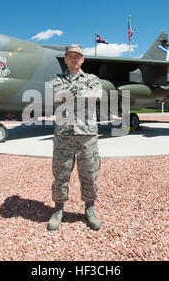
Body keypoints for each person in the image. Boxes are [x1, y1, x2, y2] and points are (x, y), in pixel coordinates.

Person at [48, 44, 103, 231]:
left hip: (87, 135)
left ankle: (90, 209)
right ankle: (58, 210)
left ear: (82, 59)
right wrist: (81, 92)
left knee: (89, 173)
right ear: (65, 59)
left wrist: (70, 94)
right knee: (60, 175)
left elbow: (95, 94)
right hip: (64, 135)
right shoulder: (56, 79)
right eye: (70, 56)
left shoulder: (92, 79)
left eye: (77, 56)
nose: (74, 59)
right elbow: (56, 94)